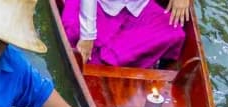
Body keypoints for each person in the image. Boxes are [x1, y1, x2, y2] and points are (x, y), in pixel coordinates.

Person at [62, 0, 191, 69]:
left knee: (174, 33)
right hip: (97, 4)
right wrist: (88, 35)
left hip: (139, 9)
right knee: (75, 30)